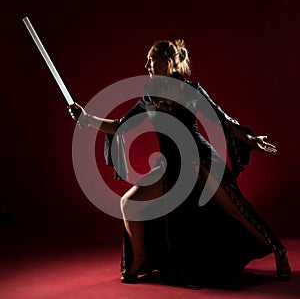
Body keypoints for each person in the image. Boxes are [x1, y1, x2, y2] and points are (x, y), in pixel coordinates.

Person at [68, 39, 291, 288]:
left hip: (200, 161)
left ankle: (279, 251)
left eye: (151, 60)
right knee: (129, 203)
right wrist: (88, 119)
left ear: (169, 61)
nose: (146, 65)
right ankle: (139, 258)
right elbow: (121, 125)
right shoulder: (149, 97)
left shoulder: (191, 91)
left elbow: (223, 121)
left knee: (235, 209)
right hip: (170, 165)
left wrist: (251, 139)